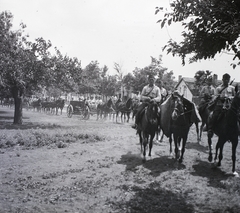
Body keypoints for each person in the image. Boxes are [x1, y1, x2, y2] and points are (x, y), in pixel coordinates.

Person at [207, 73, 235, 138]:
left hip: (230, 106)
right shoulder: (218, 88)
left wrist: (230, 98)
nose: (226, 81)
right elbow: (215, 97)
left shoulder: (232, 88)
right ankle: (211, 129)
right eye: (225, 79)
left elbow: (235, 96)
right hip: (220, 106)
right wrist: (221, 98)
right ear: (222, 79)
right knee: (215, 115)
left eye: (228, 79)